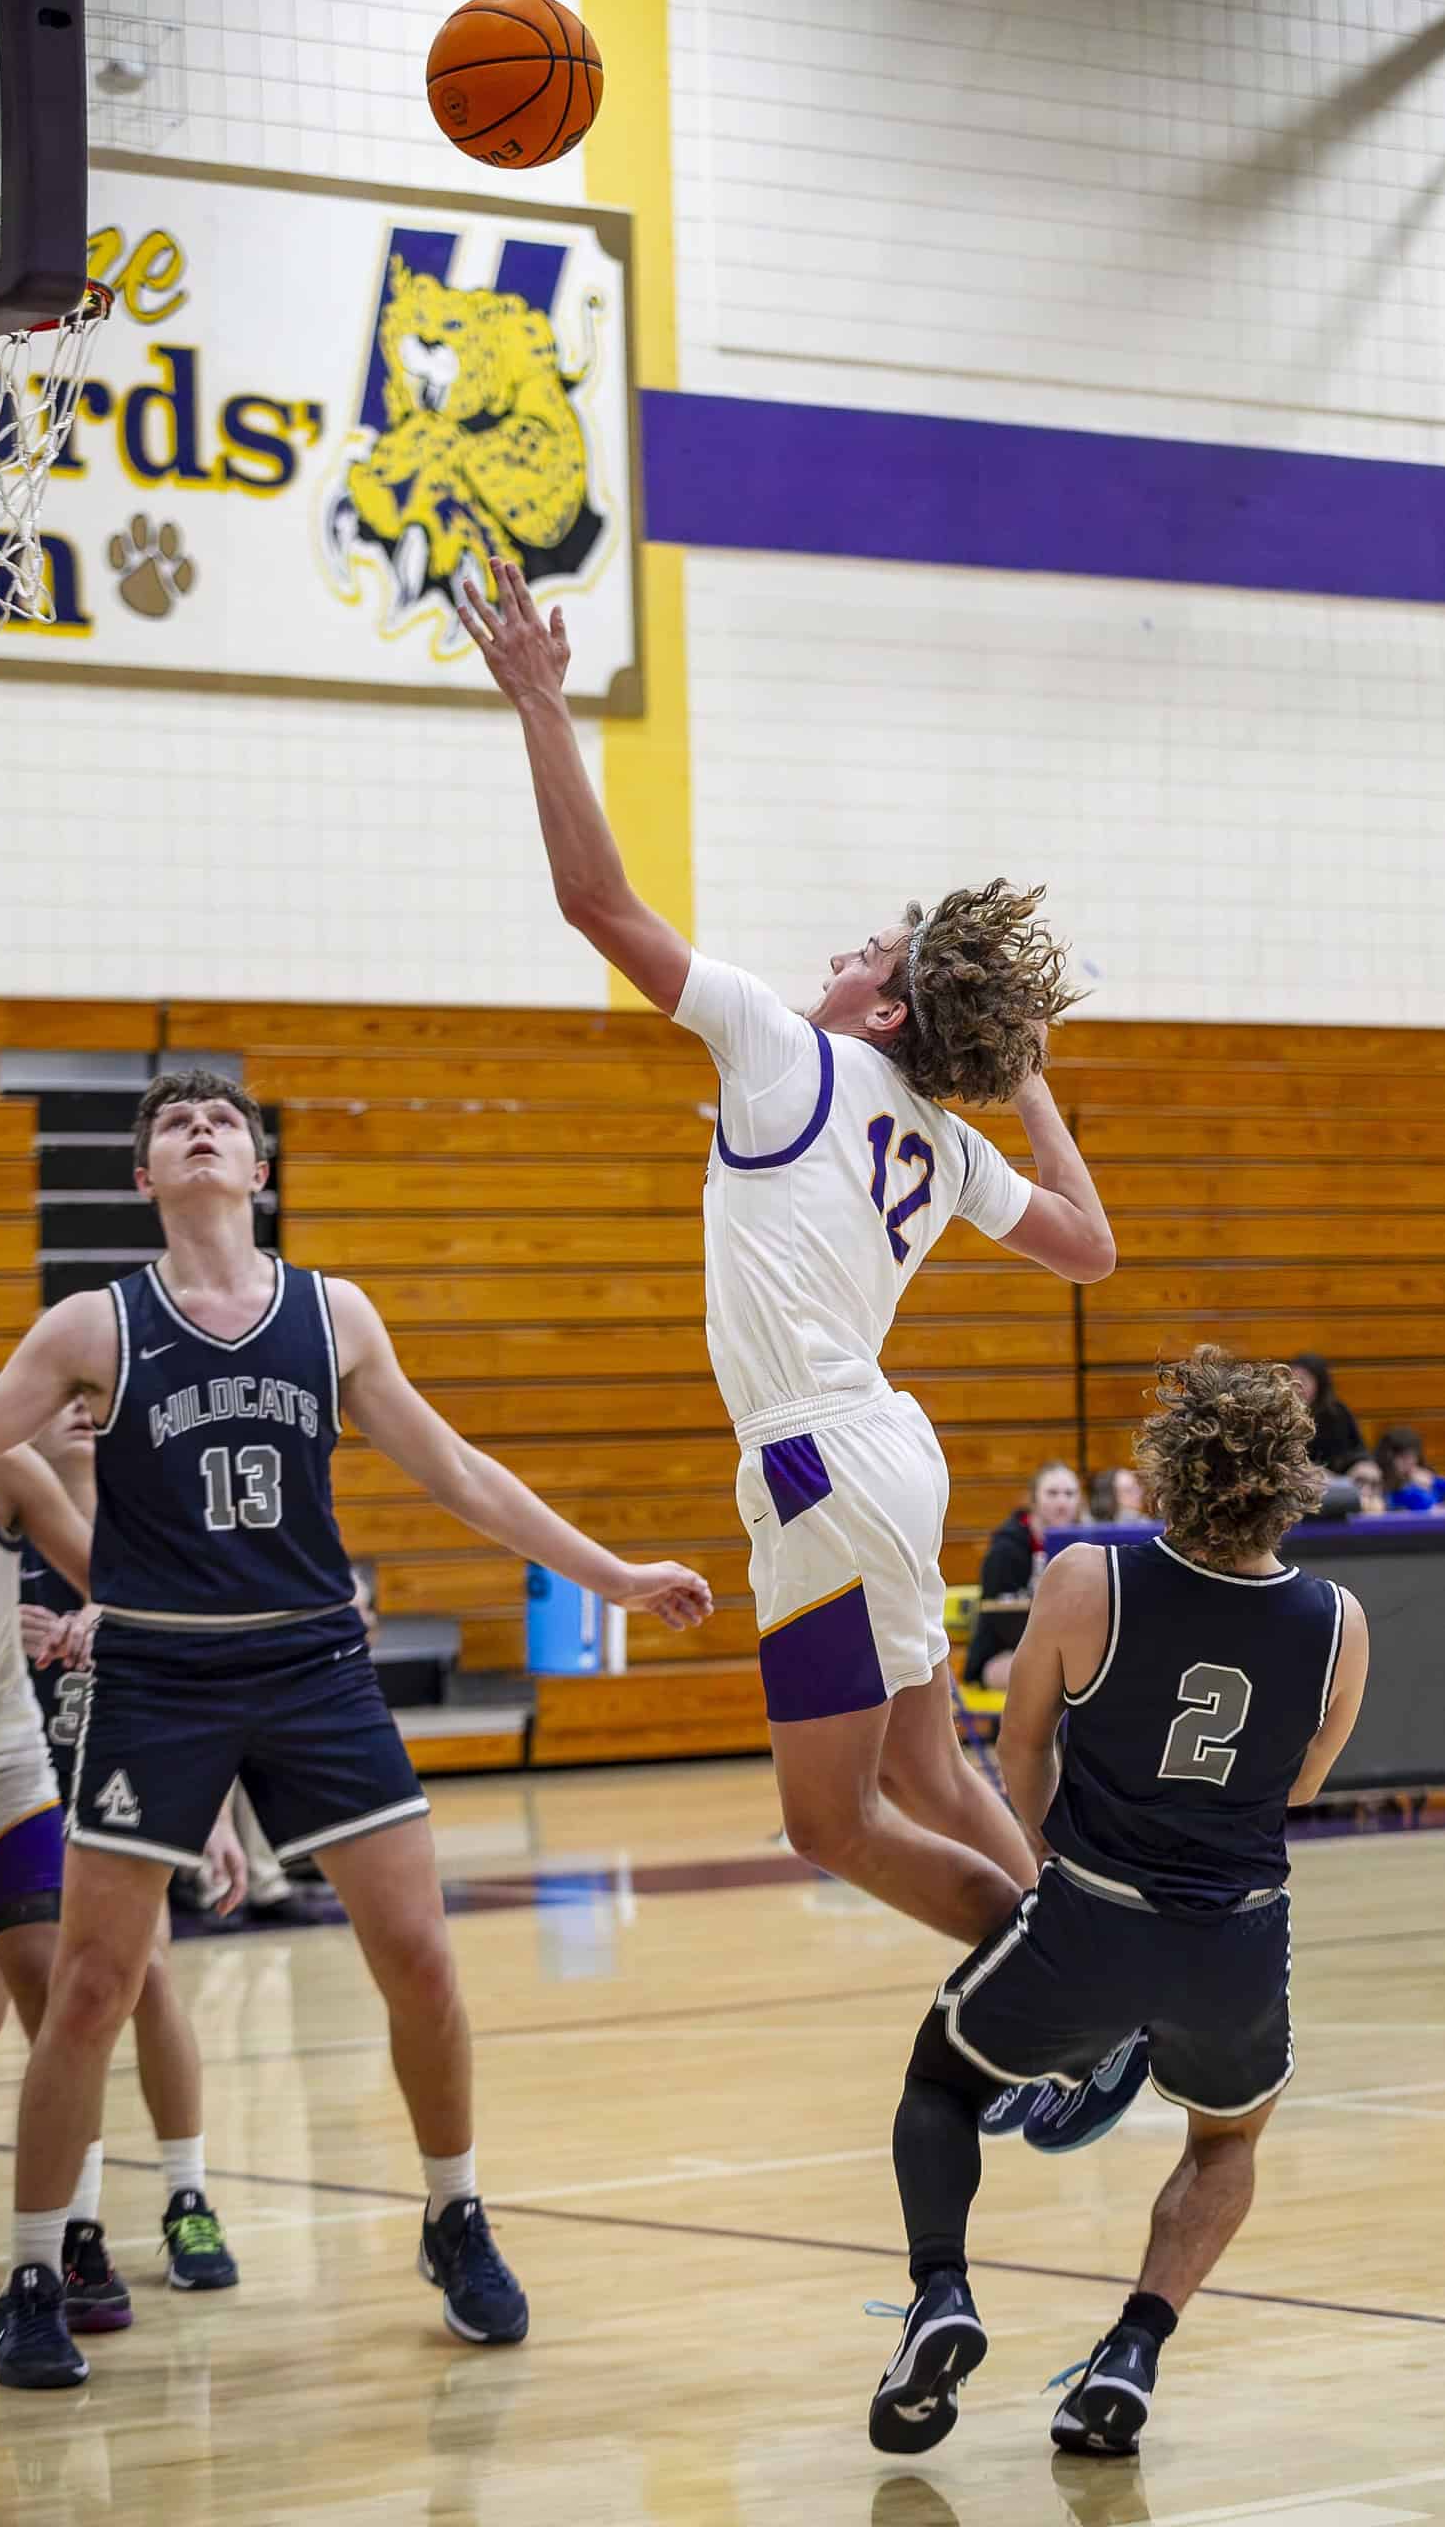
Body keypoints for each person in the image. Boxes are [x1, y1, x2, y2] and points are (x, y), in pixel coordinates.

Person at [0, 1069, 712, 2390]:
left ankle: (455, 2215)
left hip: (312, 1668)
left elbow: (460, 1471)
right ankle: (36, 2268)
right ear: (144, 1181)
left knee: (419, 1956)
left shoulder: (333, 1313)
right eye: (175, 1127)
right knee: (89, 1987)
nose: (201, 1132)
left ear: (256, 1172)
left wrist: (611, 1575)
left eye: (224, 1124)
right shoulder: (91, 1326)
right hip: (162, 1678)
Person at [459, 562, 1116, 1963]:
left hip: (816, 1453)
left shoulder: (785, 1049)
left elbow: (596, 902)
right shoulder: (943, 1140)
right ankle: (1086, 1979)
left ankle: (1056, 1984)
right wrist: (1022, 1075)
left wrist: (537, 703)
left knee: (830, 1823)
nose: (837, 949)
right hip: (886, 1448)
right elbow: (1090, 1250)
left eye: (865, 947)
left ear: (880, 1005)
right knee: (930, 1774)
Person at [866, 1349, 1368, 2460]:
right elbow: (1296, 1784)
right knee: (1224, 2141)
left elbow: (1020, 1743)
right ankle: (1132, 2349)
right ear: (1292, 1475)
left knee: (940, 2079)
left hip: (1093, 1912)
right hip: (1237, 1936)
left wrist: (1059, 1862)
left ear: (1167, 1470)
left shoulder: (1086, 1578)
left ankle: (941, 2291)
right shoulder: (1338, 1621)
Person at [16, 1388, 246, 2308]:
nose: (76, 1409)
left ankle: (184, 2197)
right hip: (10, 1789)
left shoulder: (152, 1521)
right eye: (57, 1396)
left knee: (143, 1972)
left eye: (90, 1398)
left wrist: (218, 1815)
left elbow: (208, 1680)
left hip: (121, 1780)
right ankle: (69, 2219)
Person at [962, 1462, 1084, 1691]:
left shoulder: (1085, 1544)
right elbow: (999, 1617)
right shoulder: (1006, 1548)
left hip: (1061, 1651)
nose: (1062, 1502)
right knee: (1057, 1675)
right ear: (1034, 1500)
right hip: (1001, 1653)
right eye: (1052, 1493)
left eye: (1069, 1494)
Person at [1289, 1354, 1366, 1476]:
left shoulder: (1336, 1413)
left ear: (1319, 1383)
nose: (1296, 1386)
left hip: (1338, 1480)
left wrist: (1361, 1465)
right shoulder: (1283, 1414)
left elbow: (1355, 1452)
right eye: (1291, 1380)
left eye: (1303, 1380)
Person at [1374, 1425, 1445, 1511]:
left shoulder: (1426, 1477)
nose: (1410, 1463)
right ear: (1389, 1458)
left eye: (1413, 1456)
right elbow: (1430, 1511)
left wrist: (1432, 1483)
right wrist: (1423, 1490)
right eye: (1403, 1457)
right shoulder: (1383, 1484)